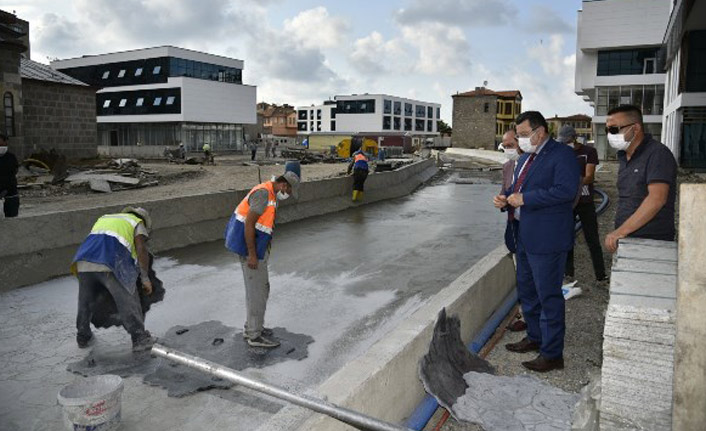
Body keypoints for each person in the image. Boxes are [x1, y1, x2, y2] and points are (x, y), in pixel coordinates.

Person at [493, 111, 580, 372]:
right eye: (517, 135)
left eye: (522, 134)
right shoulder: (525, 159)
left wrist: (526, 199)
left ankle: (552, 354)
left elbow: (566, 192)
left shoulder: (561, 155)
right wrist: (503, 199)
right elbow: (515, 191)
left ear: (539, 132)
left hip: (548, 239)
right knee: (528, 292)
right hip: (524, 236)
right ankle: (534, 337)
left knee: (548, 296)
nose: (520, 139)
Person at [224, 171, 300, 348]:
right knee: (257, 292)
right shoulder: (264, 194)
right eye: (288, 191)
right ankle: (254, 336)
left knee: (260, 290)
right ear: (283, 185)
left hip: (256, 249)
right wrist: (252, 254)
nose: (287, 195)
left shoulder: (270, 193)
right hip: (249, 250)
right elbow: (249, 224)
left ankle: (253, 327)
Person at [71, 207, 156, 351]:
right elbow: (141, 249)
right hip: (110, 261)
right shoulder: (136, 222)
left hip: (83, 261)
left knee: (86, 300)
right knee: (128, 299)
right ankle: (139, 338)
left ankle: (83, 336)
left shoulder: (105, 218)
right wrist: (145, 277)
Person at [604, 105, 677, 253]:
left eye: (613, 130)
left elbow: (657, 198)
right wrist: (621, 232)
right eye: (607, 130)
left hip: (652, 242)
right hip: (627, 238)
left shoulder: (657, 154)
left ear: (635, 129)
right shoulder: (624, 156)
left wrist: (620, 231)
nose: (609, 135)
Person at [557, 126, 606, 282]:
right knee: (566, 239)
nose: (565, 144)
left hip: (585, 202)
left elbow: (589, 176)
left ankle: (601, 276)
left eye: (567, 141)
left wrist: (571, 184)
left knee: (593, 240)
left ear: (574, 139)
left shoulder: (589, 152)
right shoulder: (561, 153)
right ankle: (568, 274)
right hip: (567, 204)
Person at [498, 128, 528, 333]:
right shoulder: (507, 166)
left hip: (533, 226)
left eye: (510, 145)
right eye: (504, 146)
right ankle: (525, 314)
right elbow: (505, 192)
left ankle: (530, 316)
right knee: (521, 273)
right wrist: (500, 201)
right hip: (514, 225)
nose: (507, 150)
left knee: (532, 274)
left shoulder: (533, 164)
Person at [0, 134, 19, 218]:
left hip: (11, 195)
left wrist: (6, 189)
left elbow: (13, 174)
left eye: (2, 144)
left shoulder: (11, 157)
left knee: (11, 221)